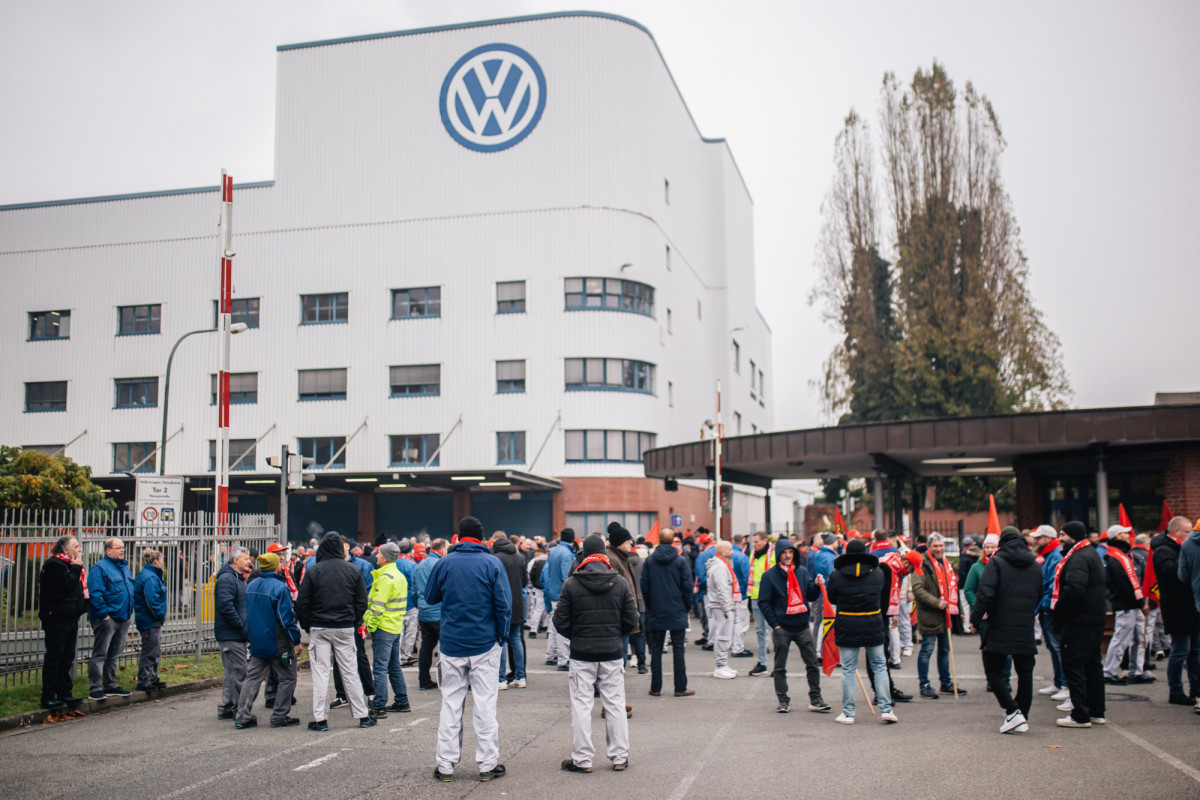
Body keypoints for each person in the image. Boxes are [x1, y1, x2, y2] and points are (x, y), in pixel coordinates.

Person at [426, 516, 511, 783]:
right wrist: (501, 636)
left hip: (452, 643)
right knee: (485, 706)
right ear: (482, 537)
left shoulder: (444, 563)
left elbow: (430, 597)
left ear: (458, 537)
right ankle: (486, 765)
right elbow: (504, 605)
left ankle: (446, 765)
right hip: (485, 644)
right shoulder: (491, 563)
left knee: (451, 705)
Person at [555, 534, 639, 773]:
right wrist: (614, 635)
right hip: (612, 651)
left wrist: (577, 636)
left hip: (582, 653)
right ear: (604, 553)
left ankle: (582, 759)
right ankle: (619, 756)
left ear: (584, 554)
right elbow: (632, 620)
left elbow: (560, 621)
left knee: (581, 705)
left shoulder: (571, 583)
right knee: (615, 703)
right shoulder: (620, 582)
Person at [295, 531, 373, 731]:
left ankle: (320, 719)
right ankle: (362, 715)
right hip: (345, 626)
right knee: (350, 671)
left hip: (319, 627)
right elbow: (361, 602)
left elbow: (302, 603)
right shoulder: (352, 570)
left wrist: (307, 625)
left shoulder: (313, 571)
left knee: (321, 673)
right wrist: (353, 620)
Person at [969, 527, 1042, 733]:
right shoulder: (1034, 563)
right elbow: (1040, 592)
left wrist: (975, 619)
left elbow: (985, 593)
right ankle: (1021, 715)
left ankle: (1012, 711)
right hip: (1025, 624)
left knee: (993, 670)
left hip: (1000, 624)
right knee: (1025, 672)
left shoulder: (997, 561)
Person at [825, 539, 897, 724]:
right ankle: (886, 709)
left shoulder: (836, 575)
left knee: (849, 669)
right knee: (880, 666)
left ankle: (848, 713)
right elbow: (884, 596)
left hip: (847, 623)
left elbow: (832, 598)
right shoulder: (878, 574)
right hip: (872, 622)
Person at [756, 538, 829, 713]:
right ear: (778, 555)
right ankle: (783, 700)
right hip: (782, 627)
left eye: (790, 552)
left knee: (812, 664)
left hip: (802, 626)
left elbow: (810, 596)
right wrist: (775, 625)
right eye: (784, 553)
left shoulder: (802, 572)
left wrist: (817, 585)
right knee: (780, 666)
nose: (788, 556)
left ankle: (816, 698)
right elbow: (764, 603)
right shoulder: (769, 576)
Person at [235, 552, 303, 729]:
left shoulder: (251, 585)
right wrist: (295, 640)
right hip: (278, 641)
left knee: (253, 678)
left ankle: (242, 715)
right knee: (287, 678)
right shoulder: (280, 588)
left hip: (258, 639)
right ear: (276, 566)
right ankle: (279, 715)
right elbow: (286, 618)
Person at [1052, 520, 1107, 728]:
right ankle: (1096, 711)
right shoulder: (1090, 554)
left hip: (1079, 621)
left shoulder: (1078, 557)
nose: (1060, 539)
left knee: (1074, 665)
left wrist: (1060, 610)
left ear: (1073, 536)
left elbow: (1074, 589)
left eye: (1063, 535)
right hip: (1092, 619)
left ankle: (1080, 715)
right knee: (1092, 665)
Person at [640, 529, 694, 698]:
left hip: (657, 608)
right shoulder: (680, 561)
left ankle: (655, 687)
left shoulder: (650, 561)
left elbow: (644, 585)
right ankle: (680, 687)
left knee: (656, 649)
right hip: (677, 609)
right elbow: (687, 586)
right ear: (673, 542)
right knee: (678, 649)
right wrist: (687, 606)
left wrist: (650, 605)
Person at [912, 532, 966, 698]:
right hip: (930, 614)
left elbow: (953, 589)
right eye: (935, 545)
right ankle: (924, 685)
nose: (939, 548)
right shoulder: (922, 564)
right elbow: (918, 589)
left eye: (941, 545)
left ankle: (946, 682)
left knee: (944, 649)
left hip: (946, 615)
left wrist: (961, 611)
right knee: (927, 649)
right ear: (929, 546)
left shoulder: (946, 563)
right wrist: (937, 603)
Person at [1153, 516, 1199, 705]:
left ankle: (1195, 690)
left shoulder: (1183, 547)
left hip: (1189, 605)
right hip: (1177, 607)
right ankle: (1176, 690)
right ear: (1176, 532)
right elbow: (1174, 574)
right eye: (1187, 531)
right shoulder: (1163, 550)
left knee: (1195, 650)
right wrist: (1186, 561)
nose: (1190, 535)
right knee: (1180, 650)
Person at [38, 535, 88, 710]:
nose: (79, 550)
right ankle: (48, 696)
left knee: (67, 657)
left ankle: (65, 693)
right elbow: (66, 585)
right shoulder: (54, 565)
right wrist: (75, 568)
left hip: (69, 617)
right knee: (54, 657)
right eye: (75, 546)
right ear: (64, 549)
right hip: (56, 618)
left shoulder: (69, 566)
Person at [1102, 524, 1154, 685]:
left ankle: (1136, 670)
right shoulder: (1115, 558)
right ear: (1117, 536)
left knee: (1139, 637)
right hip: (1126, 604)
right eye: (1124, 534)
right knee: (1121, 639)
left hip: (1133, 603)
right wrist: (1139, 601)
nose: (1128, 536)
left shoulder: (1122, 555)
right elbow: (1123, 583)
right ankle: (1109, 671)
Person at [365, 542, 411, 718]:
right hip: (394, 625)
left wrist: (369, 624)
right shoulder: (398, 576)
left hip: (383, 627)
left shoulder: (384, 578)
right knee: (393, 666)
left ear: (384, 558)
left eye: (379, 554)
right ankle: (401, 700)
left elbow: (377, 607)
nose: (376, 556)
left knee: (380, 668)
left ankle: (379, 705)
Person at [86, 537, 135, 700]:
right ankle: (95, 688)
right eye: (118, 547)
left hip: (123, 617)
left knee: (114, 654)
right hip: (107, 619)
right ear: (108, 550)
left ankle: (110, 685)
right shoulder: (100, 568)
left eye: (123, 547)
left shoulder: (124, 568)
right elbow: (95, 594)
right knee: (100, 653)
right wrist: (104, 616)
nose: (122, 550)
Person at [1032, 525, 1068, 701]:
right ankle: (1059, 681)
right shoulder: (1048, 555)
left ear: (1047, 539)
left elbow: (1052, 585)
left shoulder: (1053, 556)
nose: (1035, 541)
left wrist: (1045, 607)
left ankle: (1065, 684)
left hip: (1050, 610)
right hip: (1047, 608)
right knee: (1053, 648)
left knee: (1057, 647)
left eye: (1038, 538)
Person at [214, 546, 251, 720]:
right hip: (231, 633)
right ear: (236, 561)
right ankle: (239, 710)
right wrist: (239, 625)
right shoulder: (228, 579)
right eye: (245, 558)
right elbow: (226, 606)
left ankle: (228, 707)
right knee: (238, 673)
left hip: (234, 633)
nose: (249, 561)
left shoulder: (236, 577)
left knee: (231, 673)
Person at [606, 523, 646, 674]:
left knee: (621, 656)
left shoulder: (622, 558)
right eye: (627, 540)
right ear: (619, 542)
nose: (631, 542)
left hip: (624, 614)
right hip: (619, 616)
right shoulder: (614, 560)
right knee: (618, 658)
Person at [492, 532, 528, 689]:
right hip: (518, 603)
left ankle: (501, 679)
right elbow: (525, 582)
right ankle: (520, 676)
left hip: (503, 604)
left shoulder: (496, 559)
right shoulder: (520, 558)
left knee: (502, 641)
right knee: (516, 639)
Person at [132, 549, 167, 692]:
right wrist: (159, 615)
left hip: (148, 619)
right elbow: (152, 601)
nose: (163, 563)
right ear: (156, 562)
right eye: (162, 560)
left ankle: (152, 678)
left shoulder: (148, 575)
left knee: (153, 650)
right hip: (150, 620)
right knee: (150, 651)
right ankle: (145, 680)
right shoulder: (151, 578)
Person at [414, 538, 447, 691]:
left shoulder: (420, 566)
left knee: (426, 648)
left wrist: (419, 605)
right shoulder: (442, 564)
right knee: (445, 647)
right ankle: (445, 680)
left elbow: (414, 590)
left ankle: (424, 680)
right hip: (439, 612)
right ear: (443, 549)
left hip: (424, 612)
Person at [543, 529, 577, 669]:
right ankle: (563, 660)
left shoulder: (554, 551)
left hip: (553, 592)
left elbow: (550, 572)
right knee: (563, 627)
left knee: (553, 625)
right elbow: (567, 577)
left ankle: (551, 655)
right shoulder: (567, 554)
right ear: (573, 539)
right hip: (561, 594)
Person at [705, 541, 739, 678]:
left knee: (725, 635)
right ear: (723, 552)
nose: (732, 552)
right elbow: (722, 589)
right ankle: (720, 666)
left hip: (721, 605)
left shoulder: (721, 565)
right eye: (730, 550)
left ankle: (723, 664)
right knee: (723, 636)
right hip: (721, 606)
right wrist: (727, 608)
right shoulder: (720, 567)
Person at [747, 531, 775, 676]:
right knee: (760, 631)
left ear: (765, 541)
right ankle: (762, 663)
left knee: (775, 630)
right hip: (756, 597)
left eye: (757, 542)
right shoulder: (753, 554)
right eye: (753, 542)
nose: (754, 544)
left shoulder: (774, 554)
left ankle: (778, 665)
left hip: (771, 598)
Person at [395, 539, 420, 666]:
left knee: (398, 631)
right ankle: (405, 656)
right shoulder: (412, 565)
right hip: (410, 603)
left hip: (394, 603)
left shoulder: (392, 563)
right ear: (411, 550)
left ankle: (396, 656)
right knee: (410, 631)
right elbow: (415, 585)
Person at [527, 545, 549, 638]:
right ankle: (549, 632)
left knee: (537, 609)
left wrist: (534, 585)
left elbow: (531, 574)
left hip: (538, 588)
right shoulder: (550, 561)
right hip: (549, 588)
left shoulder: (536, 561)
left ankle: (533, 630)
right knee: (550, 611)